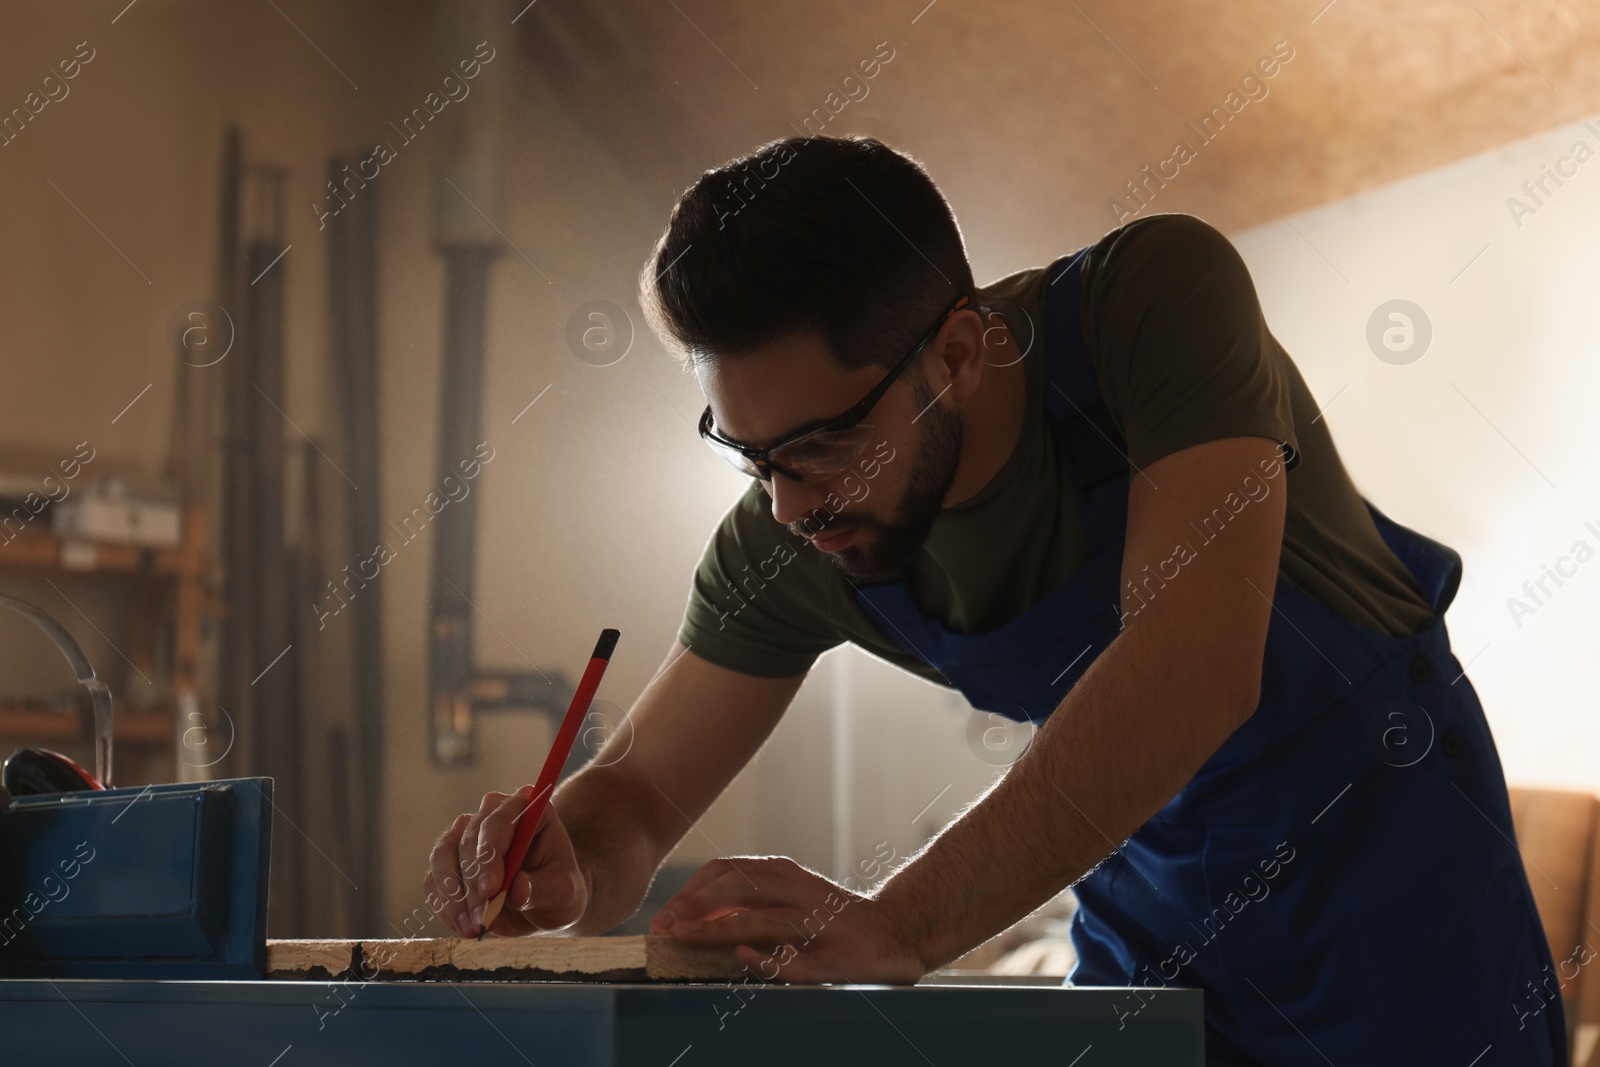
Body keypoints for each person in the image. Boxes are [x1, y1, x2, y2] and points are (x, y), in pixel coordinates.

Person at [425, 135, 1567, 1065]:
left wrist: (902, 919)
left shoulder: (1147, 309)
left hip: (1410, 935)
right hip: (1153, 950)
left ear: (961, 351)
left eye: (823, 446)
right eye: (749, 455)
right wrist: (563, 859)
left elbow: (1193, 671)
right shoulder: (790, 533)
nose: (786, 507)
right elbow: (636, 793)